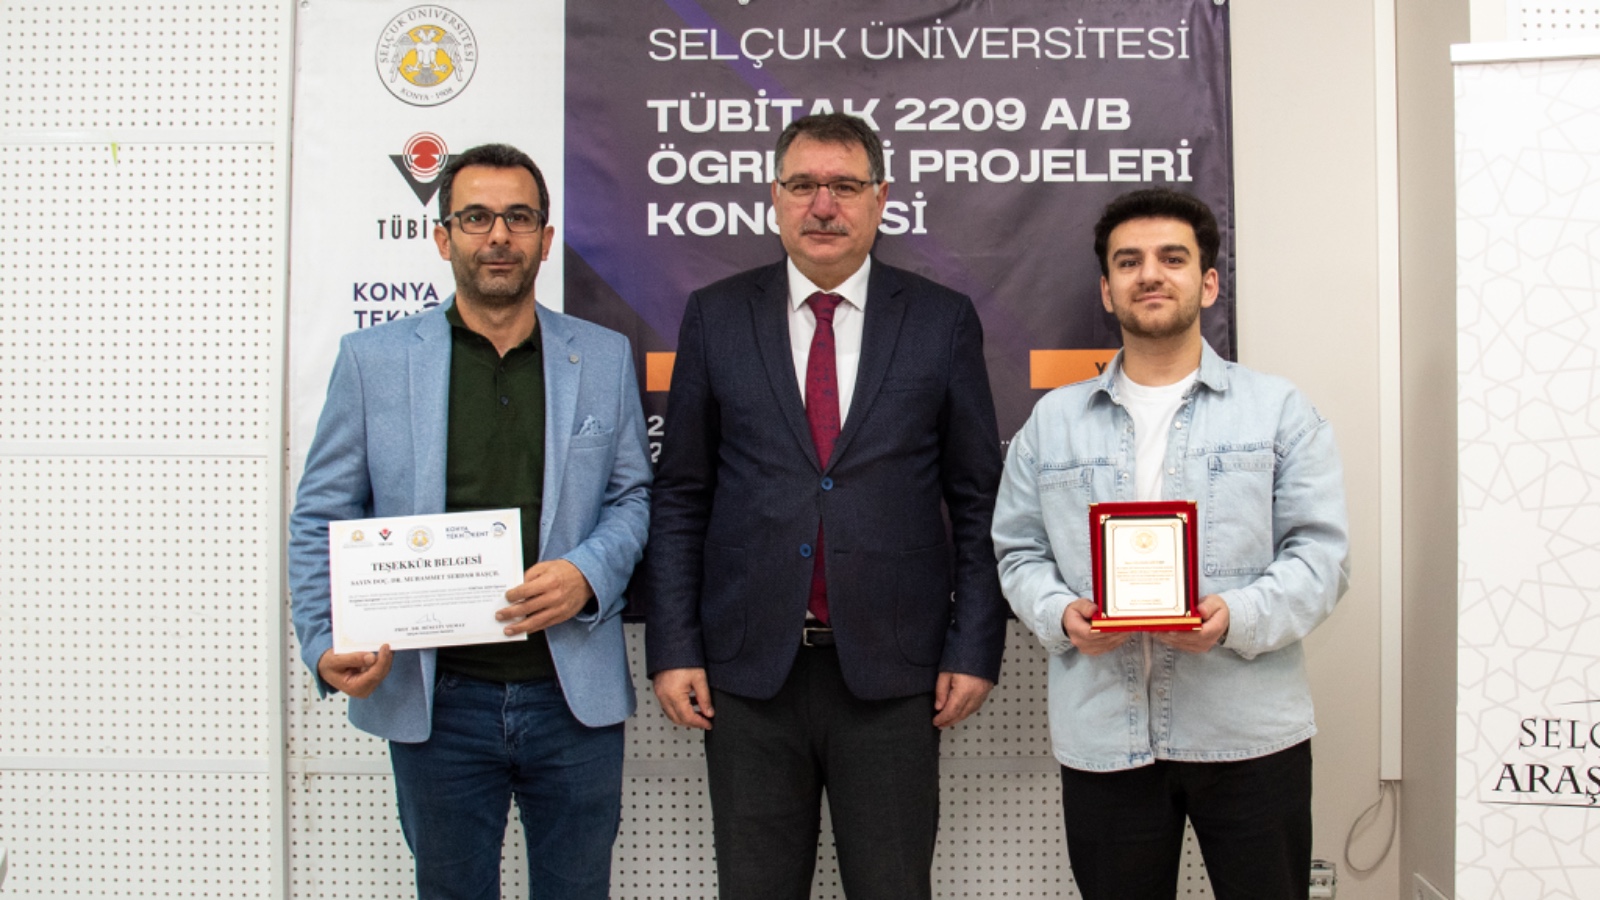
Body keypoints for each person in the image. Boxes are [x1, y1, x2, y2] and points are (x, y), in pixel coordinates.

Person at [643, 112, 1009, 900]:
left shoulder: (941, 320)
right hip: (748, 675)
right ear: (774, 197)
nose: (822, 206)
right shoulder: (716, 315)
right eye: (803, 185)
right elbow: (681, 495)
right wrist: (673, 646)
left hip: (895, 673)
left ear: (881, 198)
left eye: (844, 186)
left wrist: (975, 646)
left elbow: (978, 498)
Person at [288, 143, 651, 900]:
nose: (498, 236)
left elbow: (632, 499)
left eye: (519, 217)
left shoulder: (604, 356)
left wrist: (587, 573)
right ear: (442, 236)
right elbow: (323, 510)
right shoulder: (373, 360)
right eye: (476, 217)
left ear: (545, 239)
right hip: (437, 699)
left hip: (570, 696)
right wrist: (323, 643)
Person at [992, 188, 1350, 900]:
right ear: (1107, 290)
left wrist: (1235, 617)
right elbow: (1018, 552)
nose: (1149, 274)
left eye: (1172, 258)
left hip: (1249, 735)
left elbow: (1321, 557)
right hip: (1106, 737)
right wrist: (1061, 614)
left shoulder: (1279, 411)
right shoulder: (1052, 423)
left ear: (1208, 282)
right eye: (1128, 262)